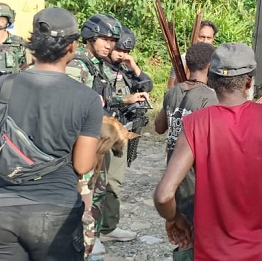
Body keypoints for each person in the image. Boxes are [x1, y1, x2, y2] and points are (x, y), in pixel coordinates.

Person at [154, 43, 262, 261]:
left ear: (211, 80)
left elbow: (164, 196)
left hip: (215, 253)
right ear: (249, 81)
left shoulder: (195, 123)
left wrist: (175, 218)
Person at [0, 7, 104, 261]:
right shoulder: (87, 99)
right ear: (72, 47)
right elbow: (82, 165)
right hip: (56, 211)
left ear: (32, 44)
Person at [66, 14, 148, 254]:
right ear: (90, 37)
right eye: (104, 39)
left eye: (112, 41)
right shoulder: (78, 65)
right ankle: (82, 239)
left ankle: (95, 234)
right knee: (82, 189)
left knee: (97, 188)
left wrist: (123, 101)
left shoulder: (98, 65)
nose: (109, 45)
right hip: (81, 139)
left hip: (96, 137)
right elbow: (72, 106)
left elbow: (103, 98)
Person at [154, 42, 217, 260]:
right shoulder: (210, 97)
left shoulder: (172, 92)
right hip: (196, 180)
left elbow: (159, 127)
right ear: (210, 66)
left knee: (183, 234)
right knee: (197, 236)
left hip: (174, 174)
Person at [99, 26, 154, 241]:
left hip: (120, 133)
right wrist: (124, 100)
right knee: (95, 181)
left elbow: (147, 85)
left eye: (126, 51)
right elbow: (96, 98)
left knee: (114, 181)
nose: (122, 54)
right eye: (119, 50)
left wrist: (133, 65)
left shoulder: (124, 68)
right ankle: (91, 231)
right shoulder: (97, 68)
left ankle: (108, 227)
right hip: (102, 132)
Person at [167, 19, 217, 90]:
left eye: (208, 38)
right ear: (194, 36)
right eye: (201, 37)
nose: (205, 41)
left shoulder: (217, 61)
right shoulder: (182, 59)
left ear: (213, 39)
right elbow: (171, 87)